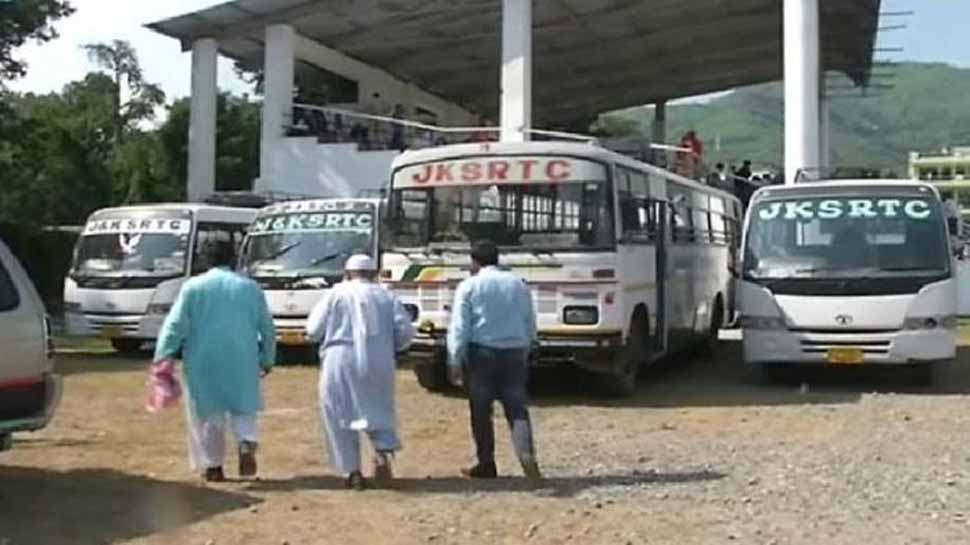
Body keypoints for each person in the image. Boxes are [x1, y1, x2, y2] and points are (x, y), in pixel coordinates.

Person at [153, 240, 276, 482]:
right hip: (243, 357)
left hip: (203, 358)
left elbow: (175, 325)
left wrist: (163, 354)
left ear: (204, 260)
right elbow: (267, 328)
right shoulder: (250, 288)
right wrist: (267, 358)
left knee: (209, 414)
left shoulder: (193, 287)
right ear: (232, 260)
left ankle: (213, 466)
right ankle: (246, 441)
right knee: (244, 407)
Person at [305, 254, 415, 491]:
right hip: (379, 359)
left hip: (340, 359)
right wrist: (389, 346)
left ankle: (352, 471)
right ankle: (383, 453)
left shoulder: (335, 294)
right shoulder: (386, 295)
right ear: (374, 274)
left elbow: (313, 330)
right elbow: (405, 333)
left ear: (346, 273)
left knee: (338, 413)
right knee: (379, 407)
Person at [447, 240, 541, 481]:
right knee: (517, 409)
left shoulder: (469, 286)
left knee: (480, 411)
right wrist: (531, 343)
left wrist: (455, 358)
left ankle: (486, 463)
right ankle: (526, 455)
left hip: (482, 354)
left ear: (474, 262)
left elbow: (460, 326)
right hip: (514, 352)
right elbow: (529, 318)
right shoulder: (518, 284)